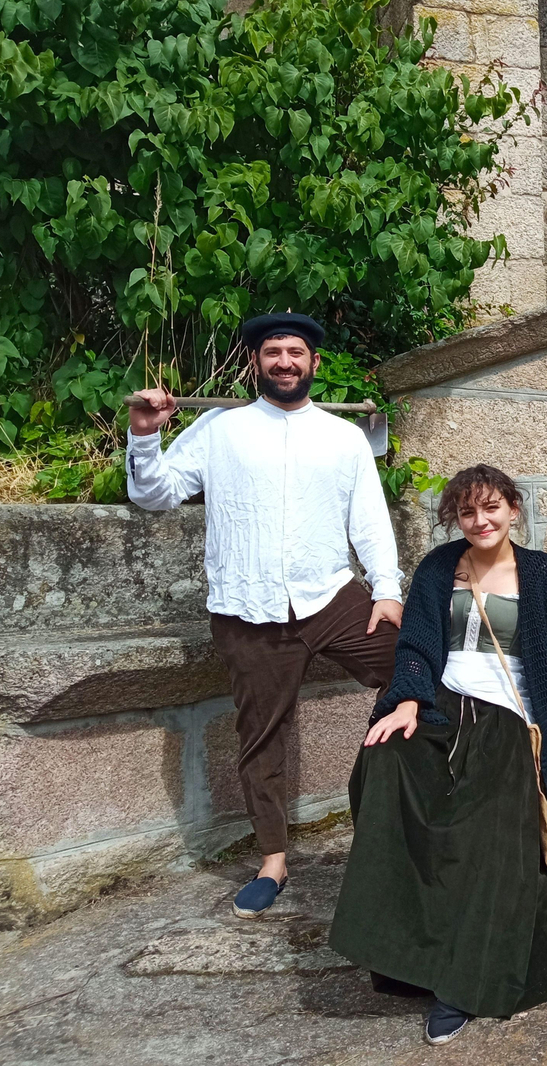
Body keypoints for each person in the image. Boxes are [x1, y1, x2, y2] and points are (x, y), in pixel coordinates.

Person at [329, 465, 547, 1046]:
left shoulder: (541, 575)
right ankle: (401, 951)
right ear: (456, 518)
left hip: (509, 715)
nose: (481, 520)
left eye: (492, 508)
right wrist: (408, 702)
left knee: (489, 816)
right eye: (468, 512)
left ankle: (463, 980)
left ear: (513, 509)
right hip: (442, 704)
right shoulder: (438, 569)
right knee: (384, 762)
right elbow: (417, 644)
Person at [126, 313, 403, 919]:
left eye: (295, 352)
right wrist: (144, 433)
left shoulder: (344, 436)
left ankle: (408, 812)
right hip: (246, 608)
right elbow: (155, 495)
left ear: (315, 363)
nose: (285, 361)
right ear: (256, 362)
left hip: (330, 596)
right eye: (273, 351)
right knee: (262, 738)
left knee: (417, 670)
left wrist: (386, 589)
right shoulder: (219, 429)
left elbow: (370, 522)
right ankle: (274, 860)